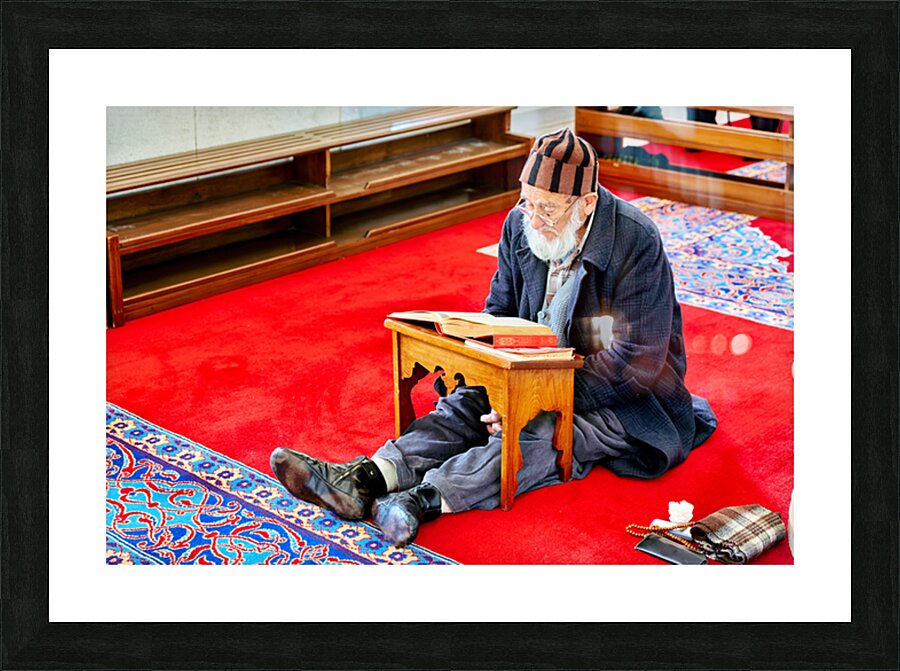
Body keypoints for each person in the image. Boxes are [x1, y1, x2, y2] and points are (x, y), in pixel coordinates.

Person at [270, 128, 718, 547]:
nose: (535, 220)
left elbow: (635, 361)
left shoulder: (634, 241)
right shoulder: (519, 225)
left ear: (585, 205)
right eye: (529, 203)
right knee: (464, 406)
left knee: (544, 432)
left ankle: (422, 499)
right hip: (526, 366)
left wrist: (531, 399)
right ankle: (365, 479)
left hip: (616, 394)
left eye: (548, 209)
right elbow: (499, 314)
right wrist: (486, 377)